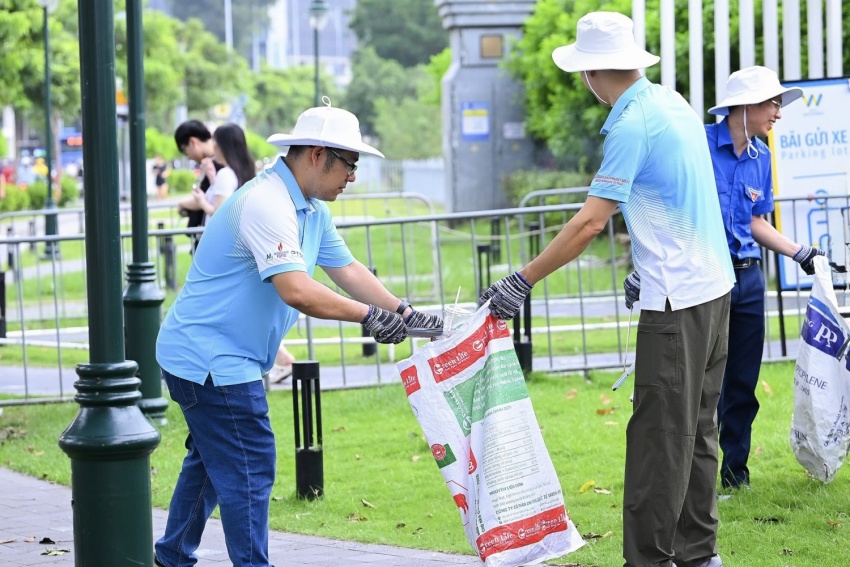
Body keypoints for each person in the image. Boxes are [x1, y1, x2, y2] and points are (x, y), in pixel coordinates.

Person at [478, 12, 734, 567]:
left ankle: (648, 560)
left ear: (591, 73)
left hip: (677, 300)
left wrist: (522, 279)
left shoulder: (630, 123)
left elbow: (590, 222)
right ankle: (698, 554)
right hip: (714, 291)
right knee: (698, 432)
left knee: (658, 442)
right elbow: (683, 193)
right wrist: (645, 258)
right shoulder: (672, 103)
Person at [153, 100, 442, 567]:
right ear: (315, 154)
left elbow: (346, 269)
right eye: (348, 164)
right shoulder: (266, 203)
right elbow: (297, 290)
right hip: (211, 358)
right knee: (249, 465)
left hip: (213, 354)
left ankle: (170, 558)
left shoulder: (308, 207)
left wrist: (406, 312)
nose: (352, 176)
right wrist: (369, 318)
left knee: (211, 463)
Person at [702, 66, 822, 492]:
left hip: (749, 282)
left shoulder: (762, 156)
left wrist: (799, 251)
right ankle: (691, 479)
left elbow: (755, 220)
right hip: (705, 278)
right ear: (746, 105)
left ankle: (735, 476)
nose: (778, 113)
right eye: (773, 103)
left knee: (741, 383)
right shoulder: (697, 147)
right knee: (701, 386)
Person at [173, 119, 223, 252]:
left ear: (193, 142)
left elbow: (208, 199)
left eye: (185, 150)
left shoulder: (218, 164)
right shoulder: (216, 163)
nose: (188, 157)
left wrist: (183, 203)